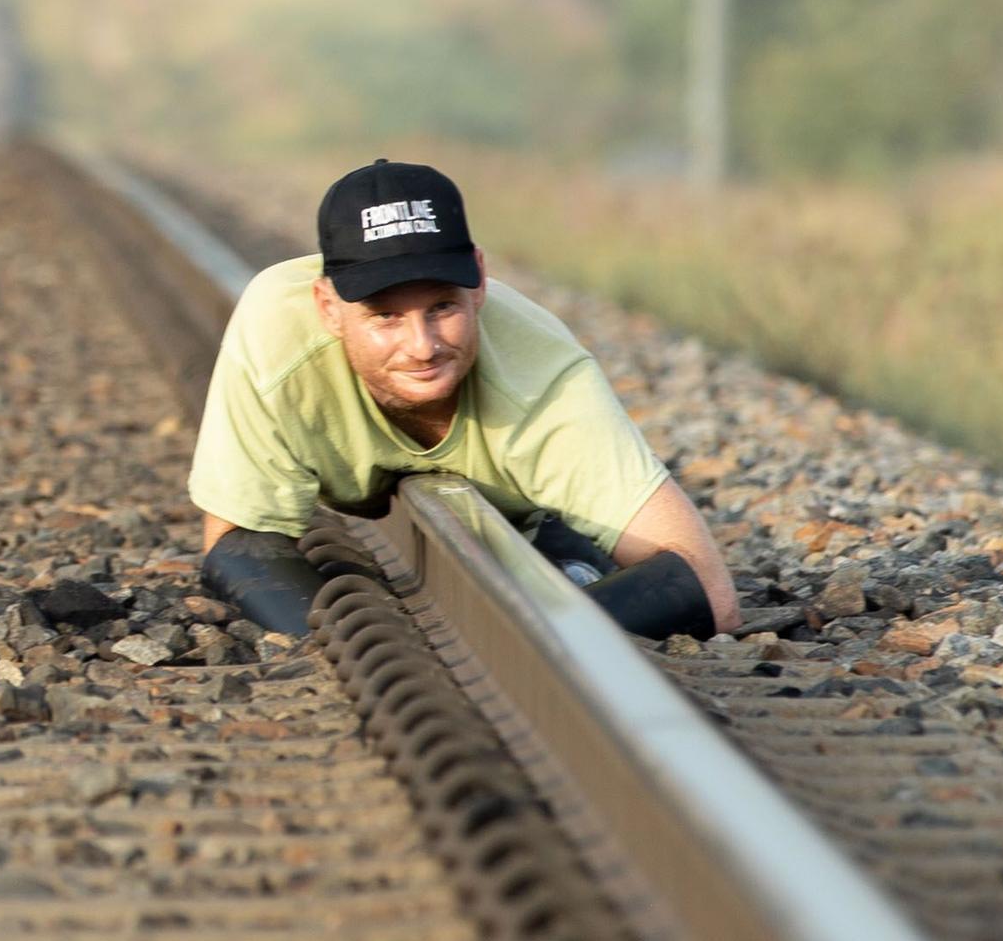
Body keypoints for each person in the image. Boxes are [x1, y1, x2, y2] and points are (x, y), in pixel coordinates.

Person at [183, 157, 738, 643]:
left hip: (530, 511)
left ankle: (561, 546)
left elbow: (705, 584)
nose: (422, 347)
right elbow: (234, 539)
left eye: (442, 308)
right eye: (385, 317)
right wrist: (335, 640)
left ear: (478, 281)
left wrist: (540, 643)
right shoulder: (278, 340)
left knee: (573, 563)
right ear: (328, 308)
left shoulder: (543, 375)